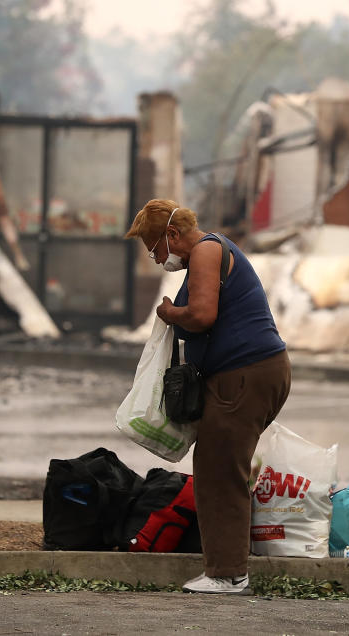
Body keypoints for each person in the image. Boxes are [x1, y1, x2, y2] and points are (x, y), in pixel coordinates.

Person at [124, 199, 291, 594]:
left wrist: (168, 313)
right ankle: (225, 569)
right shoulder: (209, 252)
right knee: (220, 466)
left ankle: (229, 574)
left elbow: (201, 315)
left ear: (172, 235)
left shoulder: (206, 250)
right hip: (250, 374)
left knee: (219, 473)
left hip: (246, 375)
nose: (154, 258)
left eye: (154, 249)